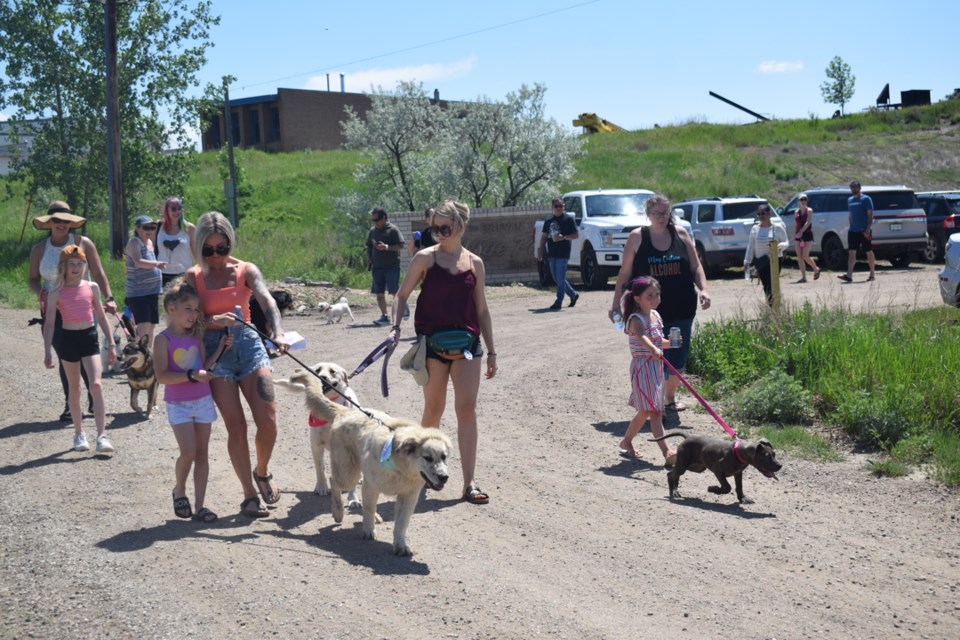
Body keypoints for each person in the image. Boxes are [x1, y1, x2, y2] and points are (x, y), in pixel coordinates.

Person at [183, 211, 290, 519]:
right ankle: (248, 495)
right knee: (237, 426)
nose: (216, 256)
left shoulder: (245, 269)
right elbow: (186, 318)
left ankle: (262, 471)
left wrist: (278, 332)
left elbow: (267, 300)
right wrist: (209, 320)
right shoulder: (193, 277)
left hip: (249, 343)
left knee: (268, 420)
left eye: (222, 248)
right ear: (199, 246)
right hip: (215, 351)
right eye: (208, 250)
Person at [390, 200, 497, 504]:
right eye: (434, 227)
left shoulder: (474, 263)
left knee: (467, 409)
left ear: (460, 225)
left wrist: (492, 351)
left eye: (444, 227)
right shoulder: (425, 259)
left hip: (467, 345)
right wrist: (395, 327)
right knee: (433, 410)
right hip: (433, 345)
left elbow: (482, 309)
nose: (437, 233)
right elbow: (401, 294)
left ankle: (470, 483)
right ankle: (422, 474)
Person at [610, 194, 711, 412]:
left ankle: (668, 398)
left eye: (665, 212)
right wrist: (615, 302)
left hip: (682, 306)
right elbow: (625, 272)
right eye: (656, 213)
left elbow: (695, 266)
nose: (661, 217)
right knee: (652, 354)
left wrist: (704, 289)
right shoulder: (637, 238)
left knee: (678, 353)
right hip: (649, 312)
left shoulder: (681, 234)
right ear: (648, 214)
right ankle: (651, 401)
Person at [28, 201, 118, 422]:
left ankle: (91, 399)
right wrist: (42, 293)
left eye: (66, 221)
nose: (62, 224)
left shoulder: (83, 243)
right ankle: (71, 404)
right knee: (64, 355)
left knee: (87, 352)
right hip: (53, 308)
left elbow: (98, 273)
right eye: (57, 220)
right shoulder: (40, 249)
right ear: (49, 223)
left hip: (82, 304)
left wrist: (109, 297)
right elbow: (32, 279)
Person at [154, 280, 233, 523]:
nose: (194, 314)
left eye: (196, 309)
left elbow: (203, 367)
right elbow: (162, 376)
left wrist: (220, 348)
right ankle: (179, 489)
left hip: (202, 400)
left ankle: (200, 506)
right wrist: (190, 376)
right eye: (188, 309)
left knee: (202, 455)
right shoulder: (163, 340)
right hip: (178, 404)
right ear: (171, 308)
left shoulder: (196, 336)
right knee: (187, 452)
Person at [42, 245, 116, 453]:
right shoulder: (55, 292)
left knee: (97, 385)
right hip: (68, 340)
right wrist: (47, 350)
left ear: (84, 266)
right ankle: (79, 433)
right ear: (63, 267)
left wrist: (110, 344)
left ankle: (102, 436)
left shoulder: (92, 287)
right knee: (74, 388)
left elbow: (101, 316)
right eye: (71, 264)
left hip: (89, 338)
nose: (75, 268)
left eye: (79, 264)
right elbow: (49, 324)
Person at [617, 276, 676, 463]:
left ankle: (626, 442)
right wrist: (653, 349)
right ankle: (667, 451)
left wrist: (670, 344)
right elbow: (644, 338)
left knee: (646, 411)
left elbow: (658, 341)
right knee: (654, 411)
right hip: (643, 367)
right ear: (637, 298)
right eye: (649, 295)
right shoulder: (636, 319)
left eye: (657, 294)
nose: (655, 298)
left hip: (656, 367)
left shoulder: (656, 316)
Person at [125, 215, 166, 350]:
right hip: (138, 293)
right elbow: (138, 262)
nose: (149, 230)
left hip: (153, 291)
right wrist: (157, 264)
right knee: (144, 325)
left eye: (152, 227)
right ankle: (141, 355)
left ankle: (148, 355)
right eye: (146, 227)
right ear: (137, 228)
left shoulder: (149, 243)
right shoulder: (134, 243)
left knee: (152, 325)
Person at [536, 197, 580, 310]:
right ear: (552, 207)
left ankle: (558, 301)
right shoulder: (549, 220)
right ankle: (573, 294)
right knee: (556, 278)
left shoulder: (568, 219)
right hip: (552, 253)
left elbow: (576, 235)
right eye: (557, 206)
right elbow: (544, 236)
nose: (559, 208)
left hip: (563, 253)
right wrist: (540, 251)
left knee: (560, 277)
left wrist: (564, 237)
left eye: (561, 206)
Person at [744, 204, 789, 306]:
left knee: (773, 283)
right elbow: (750, 247)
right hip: (761, 261)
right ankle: (772, 307)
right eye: (759, 214)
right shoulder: (755, 229)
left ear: (769, 214)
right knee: (766, 285)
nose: (761, 216)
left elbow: (786, 242)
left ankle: (777, 306)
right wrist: (747, 262)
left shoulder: (777, 227)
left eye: (763, 213)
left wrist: (781, 245)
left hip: (775, 260)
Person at [366, 208, 405, 325]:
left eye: (377, 219)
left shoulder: (393, 230)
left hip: (391, 267)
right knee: (379, 294)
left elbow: (401, 245)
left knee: (394, 292)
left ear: (384, 218)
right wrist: (369, 257)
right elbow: (369, 246)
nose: (375, 222)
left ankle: (401, 311)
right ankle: (385, 316)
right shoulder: (373, 231)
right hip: (377, 268)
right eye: (373, 220)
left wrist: (387, 247)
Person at [840, 180, 876, 283]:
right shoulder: (850, 200)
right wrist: (850, 225)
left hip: (864, 230)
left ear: (860, 188)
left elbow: (870, 215)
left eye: (855, 187)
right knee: (851, 252)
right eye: (852, 187)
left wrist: (868, 229)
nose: (853, 189)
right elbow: (850, 215)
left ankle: (872, 273)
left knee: (868, 251)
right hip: (853, 231)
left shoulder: (866, 199)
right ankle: (849, 275)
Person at [157, 197, 197, 287]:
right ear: (167, 210)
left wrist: (202, 269)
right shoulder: (158, 227)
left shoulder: (189, 228)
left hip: (184, 273)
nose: (177, 212)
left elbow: (196, 252)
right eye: (173, 209)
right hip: (163, 274)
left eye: (179, 208)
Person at [793, 194, 820, 283]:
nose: (804, 201)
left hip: (807, 235)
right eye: (802, 200)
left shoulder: (809, 210)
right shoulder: (796, 212)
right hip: (798, 235)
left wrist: (801, 231)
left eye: (805, 199)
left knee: (805, 255)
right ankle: (803, 277)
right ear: (798, 202)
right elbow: (796, 224)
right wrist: (796, 234)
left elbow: (808, 222)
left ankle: (816, 269)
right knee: (799, 256)